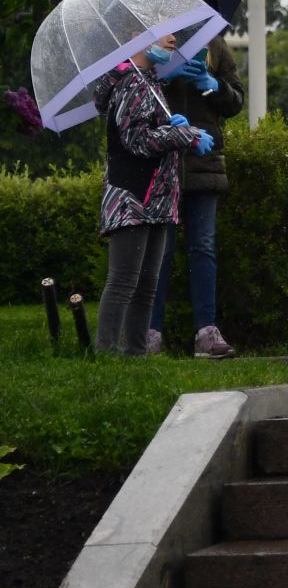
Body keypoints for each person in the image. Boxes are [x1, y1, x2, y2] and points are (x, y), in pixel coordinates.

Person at [94, 33, 212, 356]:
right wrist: (184, 133)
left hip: (157, 201)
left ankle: (135, 354)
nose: (173, 38)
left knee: (148, 286)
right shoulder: (131, 82)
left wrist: (177, 126)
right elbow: (137, 140)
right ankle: (105, 355)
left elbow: (152, 131)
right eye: (164, 31)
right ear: (137, 37)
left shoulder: (150, 82)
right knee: (123, 282)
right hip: (132, 198)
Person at [147, 0, 244, 359]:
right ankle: (150, 333)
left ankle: (206, 333)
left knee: (203, 247)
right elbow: (134, 93)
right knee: (160, 252)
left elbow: (235, 100)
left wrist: (210, 84)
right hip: (163, 161)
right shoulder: (156, 42)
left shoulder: (217, 47)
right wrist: (162, 76)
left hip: (205, 162)